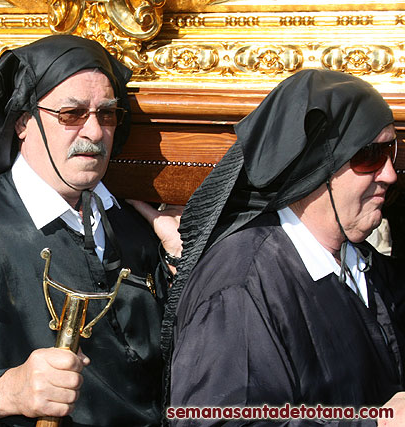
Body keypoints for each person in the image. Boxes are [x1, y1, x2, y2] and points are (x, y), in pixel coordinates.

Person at [0, 34, 181, 426]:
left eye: (107, 114)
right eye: (71, 114)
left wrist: (181, 265)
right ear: (24, 122)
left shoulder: (133, 223)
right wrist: (7, 391)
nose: (94, 132)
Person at [164, 69, 405, 425]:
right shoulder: (241, 284)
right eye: (369, 155)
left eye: (392, 151)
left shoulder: (361, 265)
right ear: (317, 162)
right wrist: (375, 423)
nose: (389, 174)